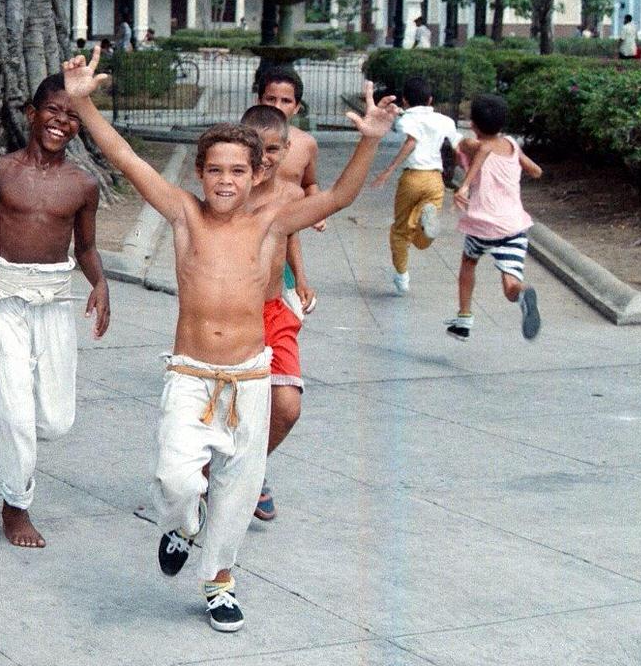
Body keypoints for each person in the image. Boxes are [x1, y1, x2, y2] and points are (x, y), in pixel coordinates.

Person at [61, 48, 398, 632]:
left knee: (238, 491)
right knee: (176, 478)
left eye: (238, 171)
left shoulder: (272, 223)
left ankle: (218, 580)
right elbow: (121, 154)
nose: (225, 180)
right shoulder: (183, 214)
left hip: (249, 377)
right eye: (214, 169)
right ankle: (180, 524)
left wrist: (370, 137)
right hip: (191, 373)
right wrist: (82, 102)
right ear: (198, 173)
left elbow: (340, 197)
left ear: (259, 174)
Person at [0, 73, 109, 547]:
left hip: (54, 299)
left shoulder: (83, 185)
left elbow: (85, 247)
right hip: (4, 297)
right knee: (15, 413)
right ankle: (15, 503)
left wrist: (101, 283)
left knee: (56, 420)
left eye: (71, 115)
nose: (61, 121)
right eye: (53, 110)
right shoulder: (0, 171)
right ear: (31, 112)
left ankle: (16, 447)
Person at [237, 106, 307, 521]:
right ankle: (219, 477)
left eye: (274, 149)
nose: (264, 156)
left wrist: (301, 277)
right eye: (256, 147)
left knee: (286, 407)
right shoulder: (230, 189)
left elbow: (290, 232)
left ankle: (252, 468)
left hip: (274, 310)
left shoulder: (292, 195)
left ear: (287, 148)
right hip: (230, 316)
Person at [447, 93, 543, 342]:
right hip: (514, 227)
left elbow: (480, 152)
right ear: (502, 124)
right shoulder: (512, 144)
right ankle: (522, 294)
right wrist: (530, 169)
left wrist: (465, 186)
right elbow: (535, 170)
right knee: (510, 285)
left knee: (469, 262)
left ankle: (464, 319)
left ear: (473, 124)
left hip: (482, 226)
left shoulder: (475, 145)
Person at [371, 77, 460, 295]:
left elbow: (411, 142)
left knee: (400, 230)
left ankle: (402, 276)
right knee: (422, 236)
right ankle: (425, 221)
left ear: (405, 99)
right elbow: (459, 146)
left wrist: (388, 170)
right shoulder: (445, 121)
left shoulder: (406, 119)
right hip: (435, 179)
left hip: (412, 178)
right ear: (430, 99)